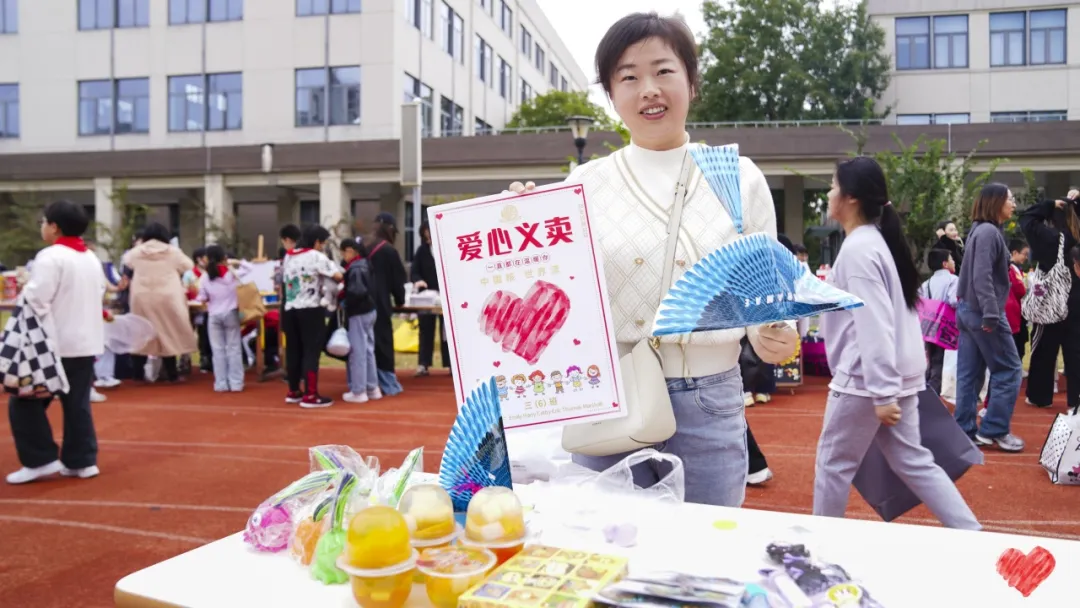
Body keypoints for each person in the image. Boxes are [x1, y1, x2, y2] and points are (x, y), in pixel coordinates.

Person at [507, 12, 798, 507]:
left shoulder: (737, 175)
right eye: (629, 77)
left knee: (707, 544)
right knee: (607, 544)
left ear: (691, 81)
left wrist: (774, 334)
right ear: (610, 94)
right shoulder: (584, 183)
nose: (649, 90)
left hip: (710, 398)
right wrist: (516, 227)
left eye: (663, 71)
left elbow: (765, 297)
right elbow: (552, 294)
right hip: (610, 397)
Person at [815, 157, 980, 530]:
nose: (829, 193)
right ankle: (970, 531)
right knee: (913, 460)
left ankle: (823, 543)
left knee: (833, 464)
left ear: (851, 197)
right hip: (896, 375)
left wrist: (882, 391)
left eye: (834, 186)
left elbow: (873, 323)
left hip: (865, 379)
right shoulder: (876, 243)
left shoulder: (859, 249)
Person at [7, 200, 107, 484]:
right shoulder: (90, 257)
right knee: (77, 404)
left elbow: (37, 299)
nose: (42, 226)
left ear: (54, 227)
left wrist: (24, 291)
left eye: (43, 221)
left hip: (54, 345)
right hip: (86, 342)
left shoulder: (50, 256)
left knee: (24, 401)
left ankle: (40, 458)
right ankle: (82, 461)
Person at [955, 184, 1023, 452]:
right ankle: (994, 429)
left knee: (970, 374)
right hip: (982, 312)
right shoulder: (988, 233)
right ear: (996, 203)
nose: (1014, 204)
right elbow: (981, 276)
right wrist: (992, 313)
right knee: (1010, 369)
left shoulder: (980, 230)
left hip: (969, 310)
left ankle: (964, 430)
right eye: (1010, 199)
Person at [1020, 191, 1080, 410]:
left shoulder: (1046, 237)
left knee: (1044, 351)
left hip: (1050, 302)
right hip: (1076, 301)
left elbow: (1026, 218)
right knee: (1076, 352)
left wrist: (1048, 204)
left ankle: (1039, 396)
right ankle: (1076, 400)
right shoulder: (1076, 237)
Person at [122, 222, 197, 383]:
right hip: (167, 296)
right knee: (168, 331)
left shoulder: (136, 252)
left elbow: (126, 261)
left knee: (140, 333)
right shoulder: (173, 251)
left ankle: (137, 374)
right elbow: (188, 265)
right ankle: (172, 374)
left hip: (141, 296)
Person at [281, 224, 341, 407]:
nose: (323, 246)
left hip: (290, 308)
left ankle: (293, 390)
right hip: (310, 308)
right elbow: (338, 275)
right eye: (322, 243)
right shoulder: (316, 256)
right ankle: (311, 395)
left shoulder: (288, 256)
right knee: (311, 351)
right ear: (316, 242)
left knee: (293, 350)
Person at [196, 245, 251, 392]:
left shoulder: (205, 277)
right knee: (234, 349)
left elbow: (202, 297)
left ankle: (221, 383)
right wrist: (235, 261)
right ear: (224, 257)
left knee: (217, 350)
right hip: (231, 312)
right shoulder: (231, 273)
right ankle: (236, 383)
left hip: (214, 315)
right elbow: (249, 268)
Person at [367, 212, 408, 397]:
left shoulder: (364, 246)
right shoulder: (388, 251)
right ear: (390, 229)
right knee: (382, 341)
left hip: (360, 304)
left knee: (365, 345)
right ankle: (388, 384)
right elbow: (397, 281)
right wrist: (400, 300)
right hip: (380, 303)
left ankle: (366, 382)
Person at [340, 239, 380, 403]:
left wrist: (344, 300)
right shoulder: (365, 263)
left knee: (358, 352)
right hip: (370, 310)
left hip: (358, 312)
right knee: (368, 350)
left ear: (351, 251)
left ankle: (358, 391)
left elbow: (356, 292)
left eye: (344, 251)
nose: (343, 255)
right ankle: (372, 387)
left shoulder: (355, 268)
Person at [411, 221, 450, 376]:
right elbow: (414, 271)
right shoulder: (421, 251)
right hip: (427, 297)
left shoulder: (447, 248)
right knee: (425, 329)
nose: (429, 239)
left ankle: (451, 365)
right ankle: (423, 364)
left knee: (447, 331)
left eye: (430, 235)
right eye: (426, 236)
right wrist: (418, 280)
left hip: (445, 295)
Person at [918, 248, 959, 395]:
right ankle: (933, 395)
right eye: (951, 259)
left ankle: (925, 390)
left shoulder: (926, 283)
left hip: (929, 327)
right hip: (946, 327)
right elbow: (954, 301)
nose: (954, 262)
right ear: (945, 264)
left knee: (931, 360)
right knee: (942, 362)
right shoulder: (953, 280)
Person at [1007, 239, 1029, 361]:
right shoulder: (1012, 268)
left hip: (1015, 312)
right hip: (1014, 314)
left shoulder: (1013, 268)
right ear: (1015, 253)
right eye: (1024, 254)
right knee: (1017, 347)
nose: (1026, 257)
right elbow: (1021, 290)